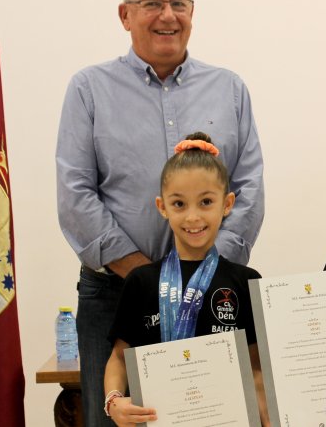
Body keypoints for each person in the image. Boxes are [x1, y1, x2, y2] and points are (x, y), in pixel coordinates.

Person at [56, 0, 264, 426]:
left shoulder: (229, 88)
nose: (168, 15)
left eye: (179, 4)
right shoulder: (89, 90)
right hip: (114, 293)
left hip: (216, 295)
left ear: (193, 12)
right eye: (152, 3)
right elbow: (75, 195)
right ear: (124, 15)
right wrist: (145, 278)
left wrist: (205, 270)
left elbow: (248, 187)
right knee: (114, 418)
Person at [103, 132, 269, 426]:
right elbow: (119, 358)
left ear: (227, 203)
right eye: (179, 204)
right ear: (162, 206)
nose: (193, 217)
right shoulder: (141, 282)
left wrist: (267, 419)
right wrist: (114, 401)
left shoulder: (245, 281)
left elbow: (255, 370)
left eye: (206, 201)